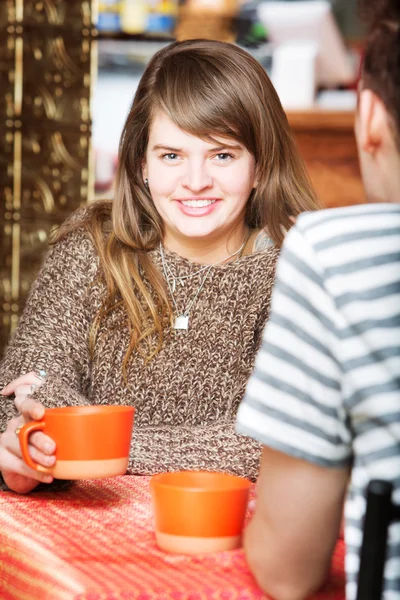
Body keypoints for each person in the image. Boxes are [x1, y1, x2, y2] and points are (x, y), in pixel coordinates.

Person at [0, 39, 318, 495]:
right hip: (78, 537)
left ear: (261, 164)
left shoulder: (298, 269)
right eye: (171, 155)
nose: (194, 182)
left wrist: (94, 440)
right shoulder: (92, 245)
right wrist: (21, 444)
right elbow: (18, 394)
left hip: (221, 540)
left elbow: (281, 442)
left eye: (222, 155)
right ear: (141, 164)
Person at [236, 0, 400, 598]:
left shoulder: (333, 253)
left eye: (225, 154)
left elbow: (288, 567)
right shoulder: (90, 252)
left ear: (370, 117)